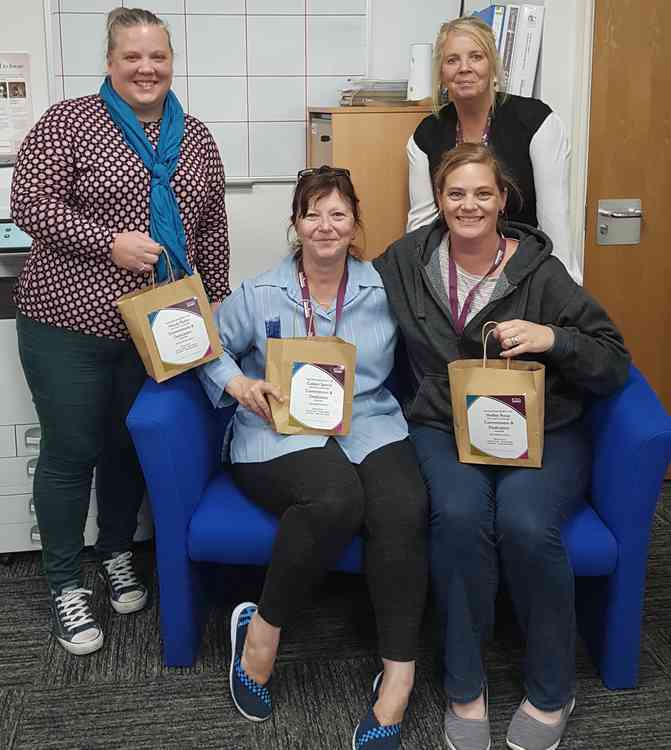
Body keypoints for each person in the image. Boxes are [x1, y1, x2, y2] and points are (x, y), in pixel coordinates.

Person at [374, 143, 630, 750]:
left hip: (543, 427)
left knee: (523, 520)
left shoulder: (542, 271)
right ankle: (465, 687)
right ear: (438, 201)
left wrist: (553, 338)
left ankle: (551, 689)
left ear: (504, 199)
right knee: (458, 516)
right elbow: (335, 281)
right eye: (456, 193)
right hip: (444, 425)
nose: (469, 205)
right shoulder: (406, 261)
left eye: (482, 193)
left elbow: (614, 359)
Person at [10, 7, 230, 656]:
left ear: (171, 61)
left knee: (127, 449)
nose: (146, 68)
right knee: (73, 450)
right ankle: (62, 583)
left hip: (157, 329)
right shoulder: (70, 122)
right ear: (110, 62)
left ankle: (114, 554)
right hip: (65, 324)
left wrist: (212, 298)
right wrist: (109, 243)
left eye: (156, 56)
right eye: (131, 56)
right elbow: (29, 205)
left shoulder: (196, 138)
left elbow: (210, 226)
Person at [198, 166, 428, 749]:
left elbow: (433, 339)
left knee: (403, 506)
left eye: (338, 214)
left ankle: (398, 678)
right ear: (296, 224)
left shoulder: (385, 290)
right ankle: (261, 635)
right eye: (312, 214)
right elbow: (209, 346)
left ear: (355, 223)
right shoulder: (261, 292)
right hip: (277, 429)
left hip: (367, 422)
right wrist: (238, 386)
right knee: (335, 497)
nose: (325, 226)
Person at [407, 16, 581, 284]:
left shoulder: (536, 123)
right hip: (455, 275)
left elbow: (555, 224)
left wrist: (564, 298)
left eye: (475, 57)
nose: (464, 68)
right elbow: (421, 230)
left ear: (493, 66)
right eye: (452, 60)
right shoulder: (425, 136)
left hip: (523, 272)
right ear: (441, 73)